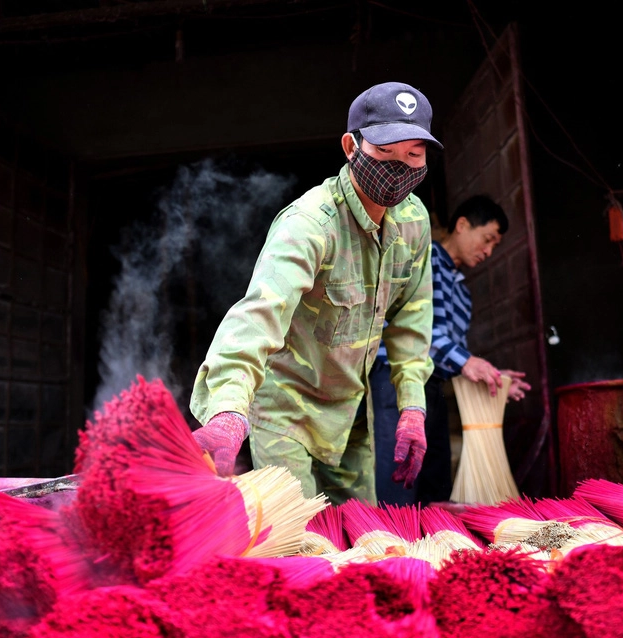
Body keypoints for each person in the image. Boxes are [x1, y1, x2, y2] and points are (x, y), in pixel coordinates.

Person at [189, 82, 442, 505]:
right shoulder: (310, 224)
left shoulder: (414, 220)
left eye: (413, 155)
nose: (400, 167)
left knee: (357, 545)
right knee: (300, 542)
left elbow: (413, 318)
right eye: (385, 153)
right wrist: (230, 410)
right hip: (286, 411)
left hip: (349, 418)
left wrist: (412, 407)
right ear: (351, 145)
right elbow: (258, 315)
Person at [372, 194, 532, 505]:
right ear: (462, 225)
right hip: (394, 378)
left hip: (432, 384)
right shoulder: (426, 259)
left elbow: (454, 353)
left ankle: (433, 545)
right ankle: (391, 541)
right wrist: (468, 362)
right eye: (487, 239)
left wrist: (494, 376)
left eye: (494, 246)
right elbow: (416, 330)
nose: (488, 251)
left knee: (434, 475)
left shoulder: (463, 293)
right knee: (398, 470)